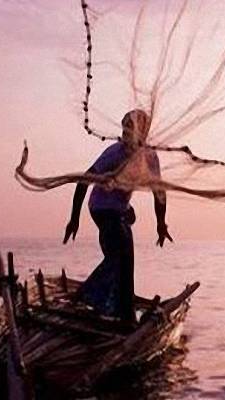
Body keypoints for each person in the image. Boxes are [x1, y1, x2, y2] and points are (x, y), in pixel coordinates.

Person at [63, 109, 173, 323]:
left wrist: (161, 224)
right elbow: (83, 181)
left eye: (131, 128)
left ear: (143, 131)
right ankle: (87, 296)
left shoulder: (149, 157)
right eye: (125, 128)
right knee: (120, 256)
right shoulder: (114, 153)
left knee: (126, 261)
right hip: (101, 208)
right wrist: (74, 219)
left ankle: (124, 313)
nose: (126, 133)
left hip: (121, 211)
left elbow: (159, 193)